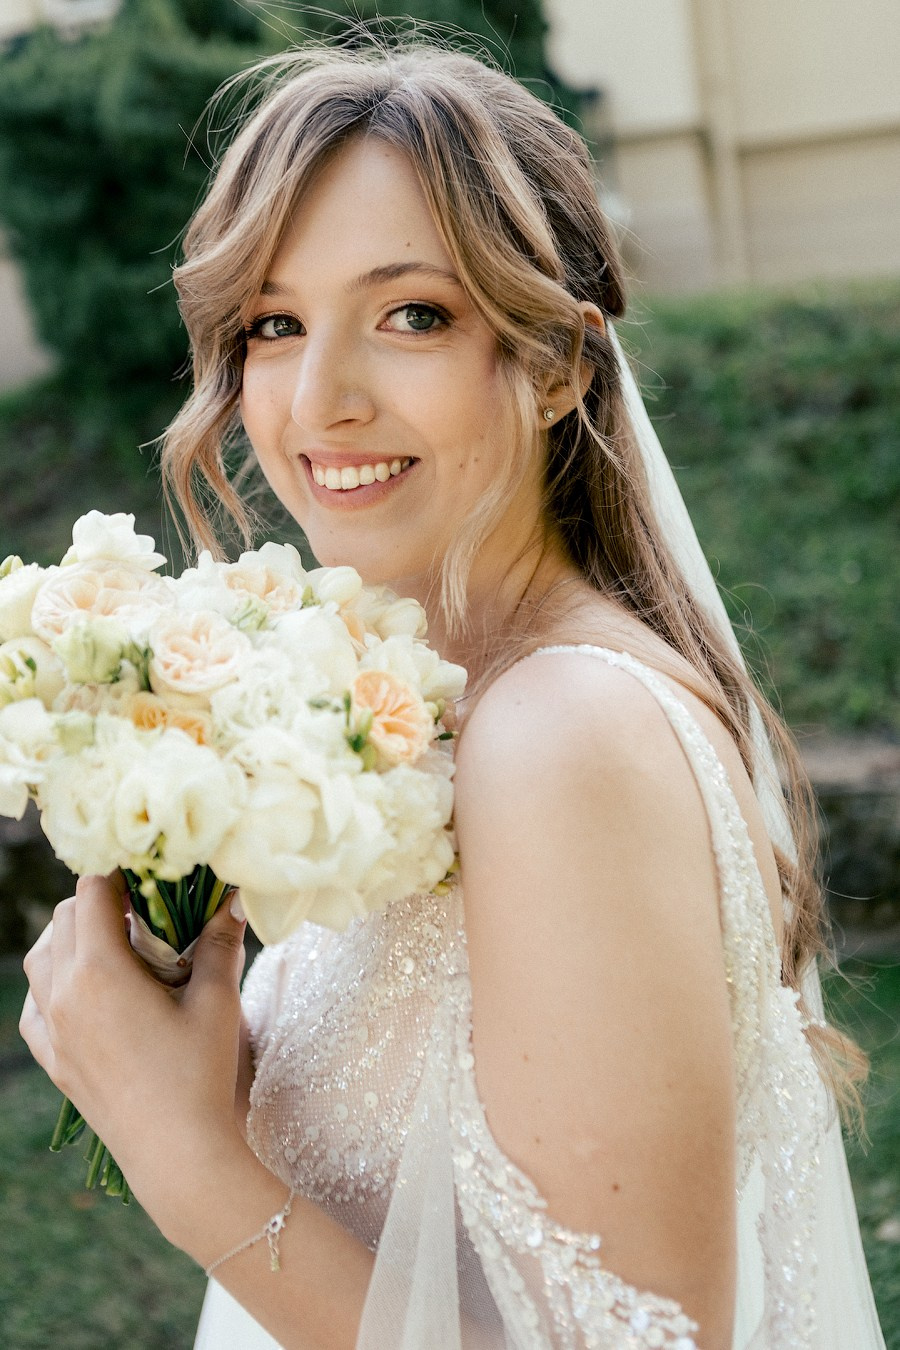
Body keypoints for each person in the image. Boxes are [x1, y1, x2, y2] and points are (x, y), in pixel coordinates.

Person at [19, 40, 887, 1350]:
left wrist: (183, 1155)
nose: (321, 400)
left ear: (554, 365)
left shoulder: (562, 735)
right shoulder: (421, 711)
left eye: (410, 313)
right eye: (274, 323)